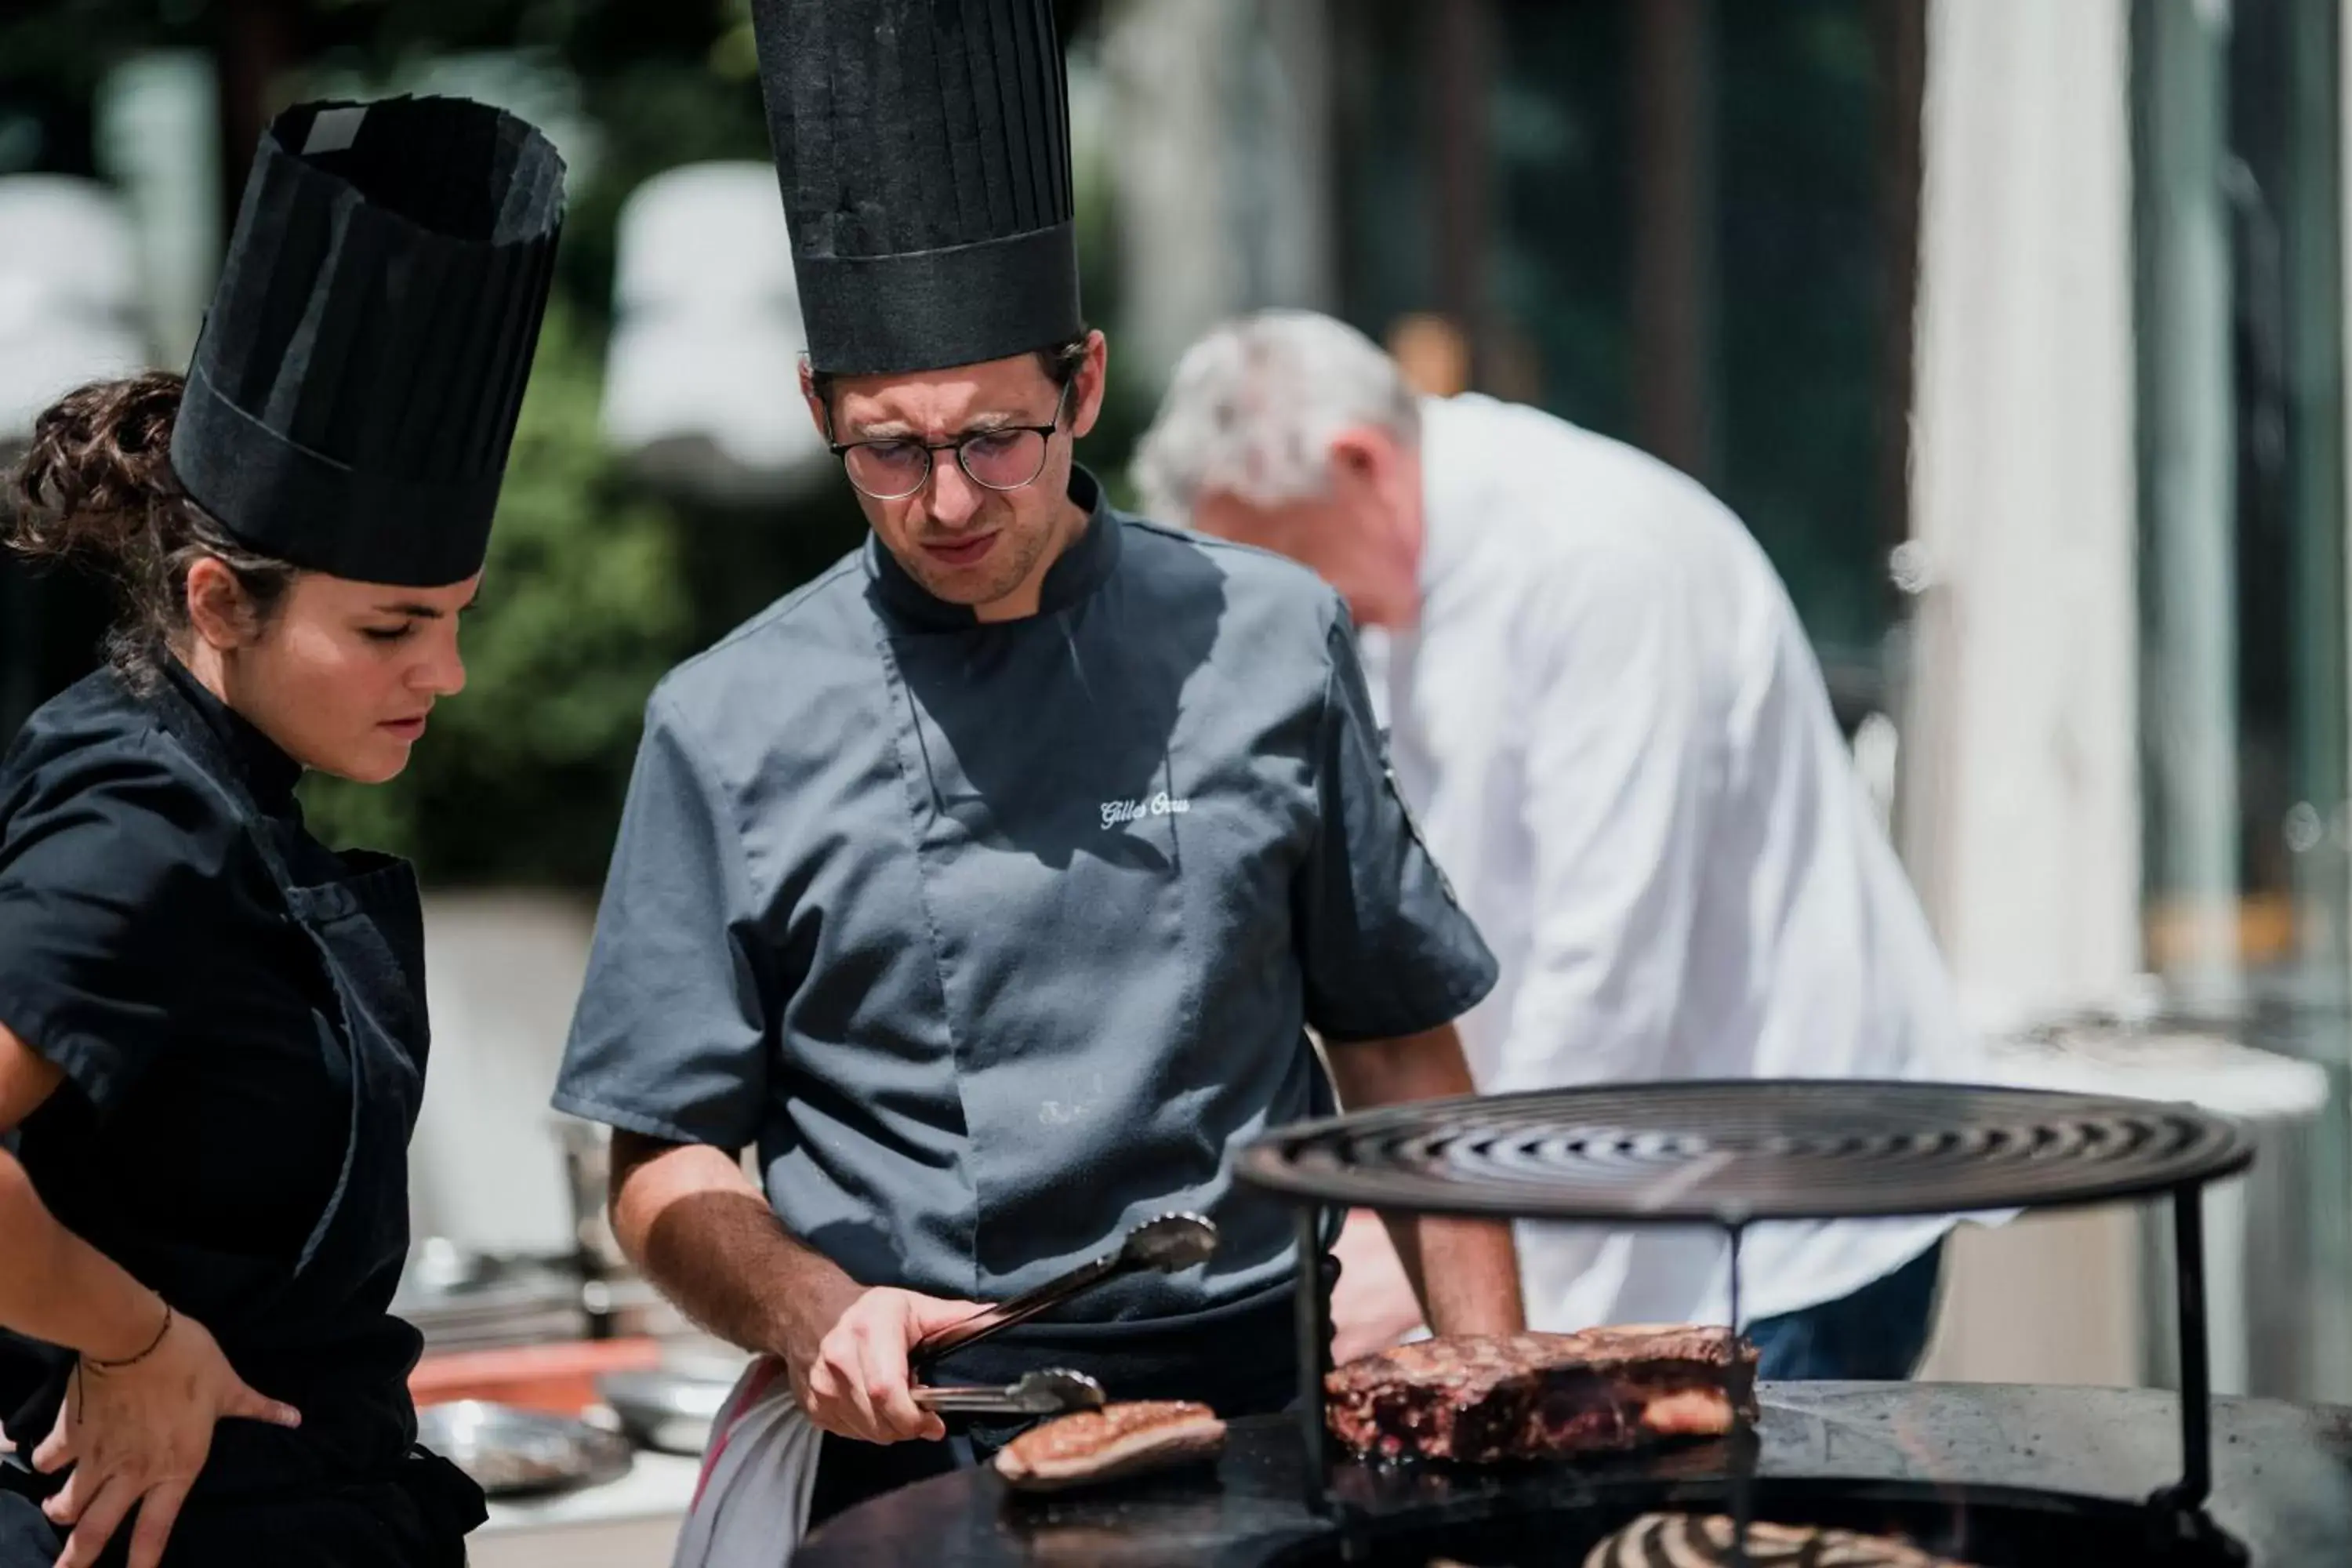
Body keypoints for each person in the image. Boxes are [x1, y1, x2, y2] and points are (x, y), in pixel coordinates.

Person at [550, 0, 1523, 1540]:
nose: (944, 501)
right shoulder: (723, 717)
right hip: (919, 1431)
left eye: (996, 438)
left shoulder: (1268, 635)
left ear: (1082, 383)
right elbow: (662, 1160)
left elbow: (1402, 1046)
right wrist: (812, 1307)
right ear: (817, 408)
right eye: (885, 449)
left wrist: (1489, 1391)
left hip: (1258, 1404)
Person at [1132, 310, 1987, 1381]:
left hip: (1783, 1219)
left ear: (1360, 464)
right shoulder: (1399, 562)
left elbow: (1608, 967)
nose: (1290, 610)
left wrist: (1437, 1248)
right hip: (1586, 1187)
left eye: (1290, 565)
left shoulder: (1596, 559)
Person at [0, 97, 564, 1567]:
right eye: (389, 629)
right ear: (215, 604)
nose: (440, 675)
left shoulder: (198, 772)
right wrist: (130, 1342)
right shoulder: (145, 814)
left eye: (452, 624)